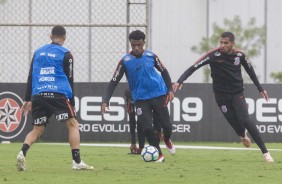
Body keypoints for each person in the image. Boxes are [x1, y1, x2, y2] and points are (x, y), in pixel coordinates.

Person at [173, 31, 274, 162]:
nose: (222, 45)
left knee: (245, 119)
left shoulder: (240, 55)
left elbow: (250, 70)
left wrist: (260, 88)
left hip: (237, 94)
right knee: (235, 124)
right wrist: (180, 80)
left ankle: (265, 153)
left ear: (232, 43)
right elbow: (194, 67)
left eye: (226, 43)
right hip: (221, 96)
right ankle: (242, 135)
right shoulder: (213, 55)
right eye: (221, 42)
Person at [17, 25, 94, 171]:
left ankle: (22, 152)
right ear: (64, 39)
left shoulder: (38, 52)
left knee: (37, 129)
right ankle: (77, 162)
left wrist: (28, 99)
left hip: (38, 94)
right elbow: (70, 78)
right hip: (58, 94)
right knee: (73, 124)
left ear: (50, 36)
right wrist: (71, 100)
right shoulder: (67, 54)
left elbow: (30, 76)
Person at [101, 30, 175, 162]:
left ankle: (167, 139)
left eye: (139, 45)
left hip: (158, 95)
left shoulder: (151, 56)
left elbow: (164, 71)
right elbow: (113, 81)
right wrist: (105, 100)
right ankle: (159, 154)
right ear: (130, 44)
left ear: (143, 43)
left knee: (167, 126)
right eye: (133, 45)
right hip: (140, 99)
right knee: (147, 127)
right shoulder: (125, 61)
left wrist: (170, 89)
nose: (136, 48)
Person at [125, 88, 163, 154]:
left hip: (148, 99)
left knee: (146, 123)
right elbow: (132, 121)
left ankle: (156, 146)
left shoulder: (148, 94)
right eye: (132, 101)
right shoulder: (129, 99)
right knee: (140, 121)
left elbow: (157, 116)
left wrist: (158, 130)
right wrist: (133, 142)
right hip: (140, 99)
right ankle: (141, 148)